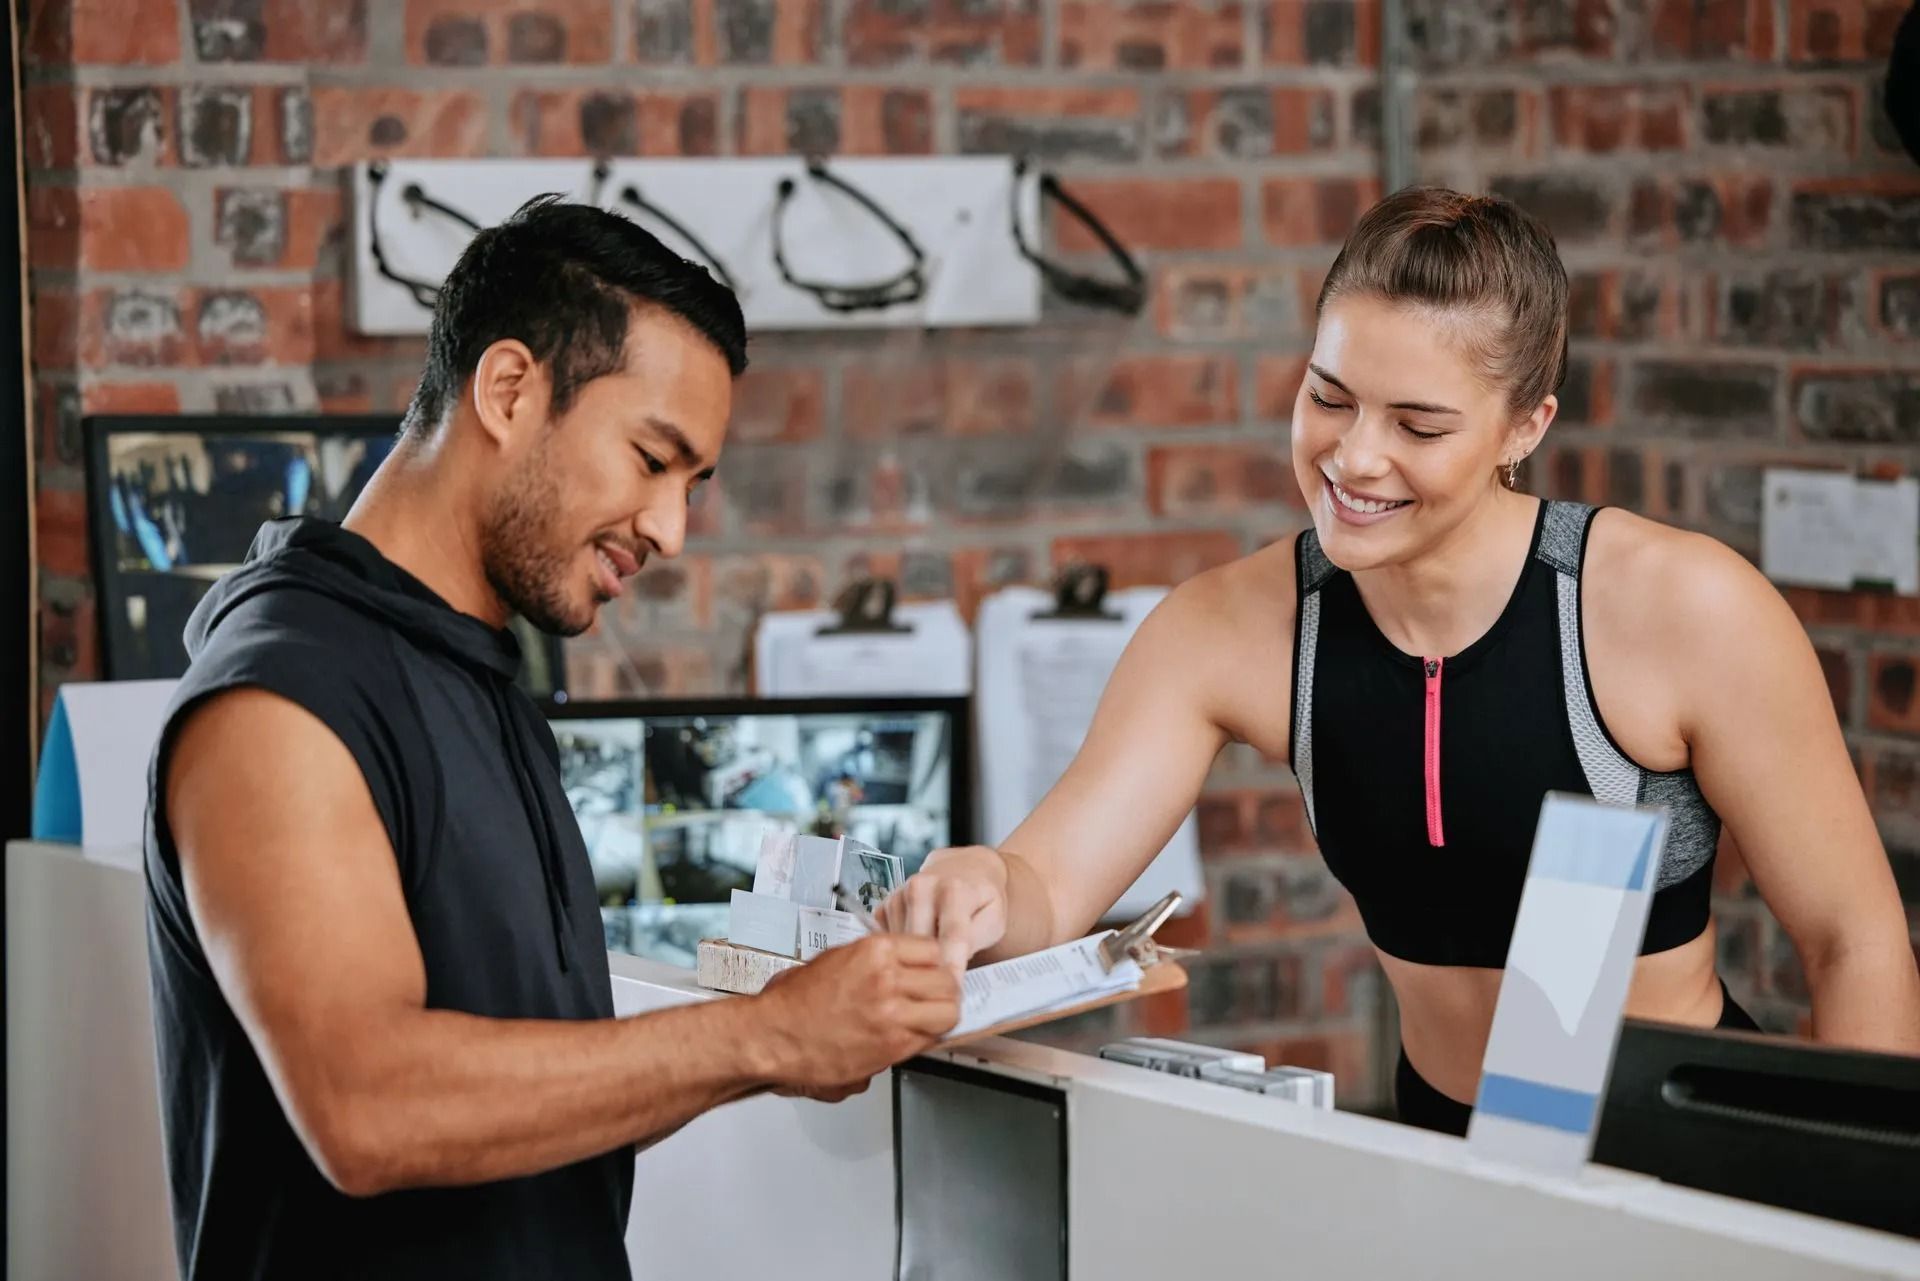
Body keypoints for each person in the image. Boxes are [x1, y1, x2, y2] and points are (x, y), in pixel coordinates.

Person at [877, 186, 1920, 1136]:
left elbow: (1852, 939)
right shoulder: (1228, 627)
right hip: (1440, 1149)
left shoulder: (1683, 608)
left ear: (1525, 426)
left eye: (1419, 425)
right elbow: (1049, 884)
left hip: (1680, 1159)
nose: (1354, 458)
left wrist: (1862, 1214)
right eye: (1329, 398)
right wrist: (980, 883)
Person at [146, 196, 960, 1281]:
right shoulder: (283, 697)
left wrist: (783, 1039)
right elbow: (366, 1106)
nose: (671, 528)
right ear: (510, 390)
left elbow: (531, 1109)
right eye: (651, 457)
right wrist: (762, 1036)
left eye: (692, 485)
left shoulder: (478, 677)